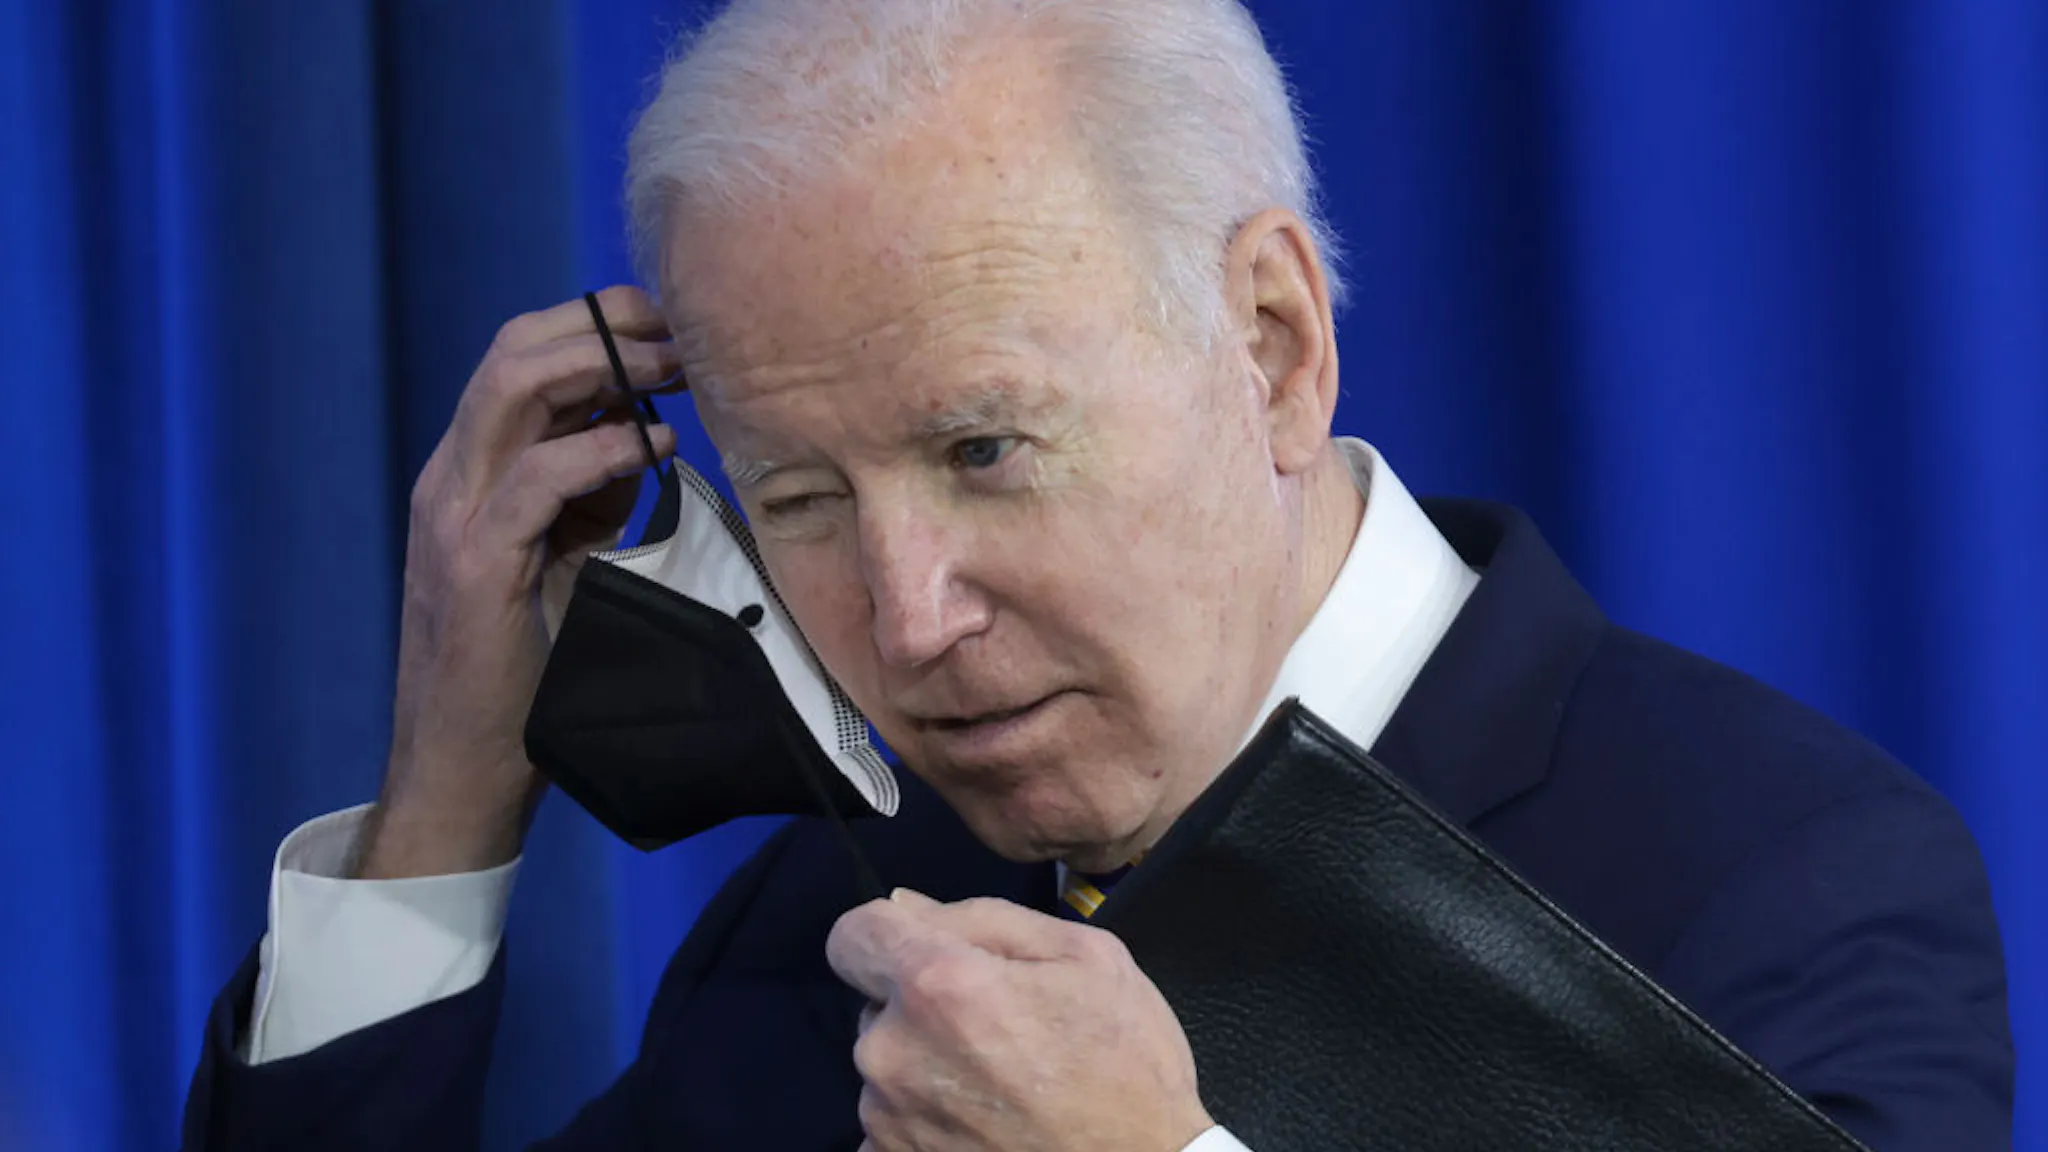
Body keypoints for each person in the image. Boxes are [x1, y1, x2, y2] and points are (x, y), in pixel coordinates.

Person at [179, 0, 2015, 1149]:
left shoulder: (1791, 880)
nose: (907, 625)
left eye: (986, 449)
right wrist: (444, 797)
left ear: (1276, 348)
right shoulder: (830, 921)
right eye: (803, 497)